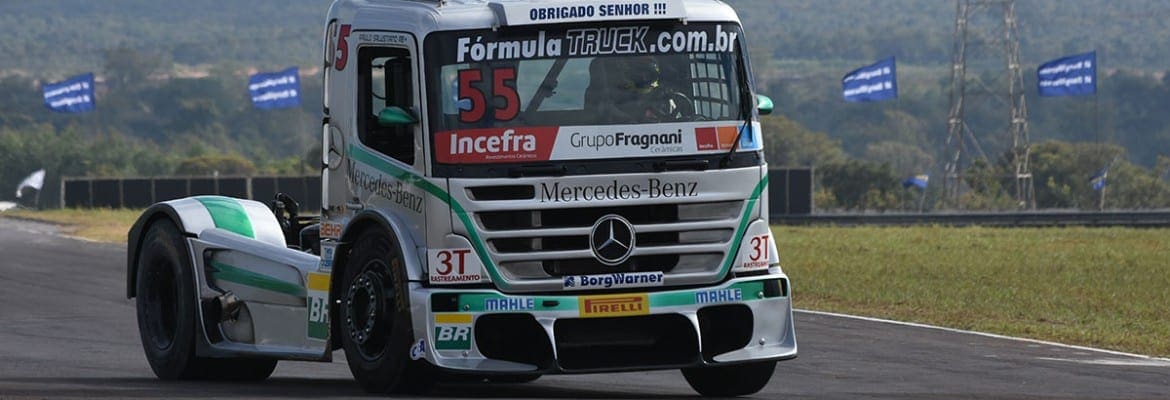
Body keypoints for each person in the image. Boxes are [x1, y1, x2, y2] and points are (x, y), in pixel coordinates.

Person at [588, 56, 686, 123]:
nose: (644, 77)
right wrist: (633, 121)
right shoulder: (607, 100)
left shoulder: (666, 98)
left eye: (648, 73)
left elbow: (679, 129)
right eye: (638, 72)